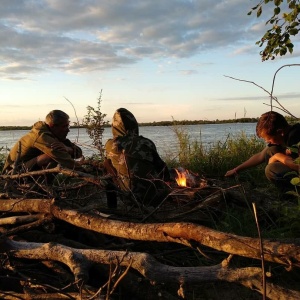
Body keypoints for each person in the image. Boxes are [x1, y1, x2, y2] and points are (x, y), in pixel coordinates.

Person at [104, 108, 171, 206]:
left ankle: (112, 208)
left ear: (114, 127)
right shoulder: (146, 142)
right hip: (153, 198)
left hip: (126, 197)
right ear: (134, 125)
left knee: (106, 166)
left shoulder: (110, 145)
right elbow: (163, 171)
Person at [225, 111, 300, 196]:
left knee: (271, 169)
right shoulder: (282, 137)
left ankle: (292, 196)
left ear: (280, 132)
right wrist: (236, 170)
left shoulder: (295, 137)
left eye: (268, 139)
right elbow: (260, 156)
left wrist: (278, 157)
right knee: (271, 150)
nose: (267, 141)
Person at [2, 110, 83, 174]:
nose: (68, 130)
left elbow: (79, 153)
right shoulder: (41, 136)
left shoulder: (55, 134)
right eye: (64, 126)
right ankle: (41, 189)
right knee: (53, 156)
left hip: (27, 169)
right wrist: (87, 173)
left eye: (68, 126)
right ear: (53, 126)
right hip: (13, 172)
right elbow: (62, 158)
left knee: (61, 151)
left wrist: (69, 149)